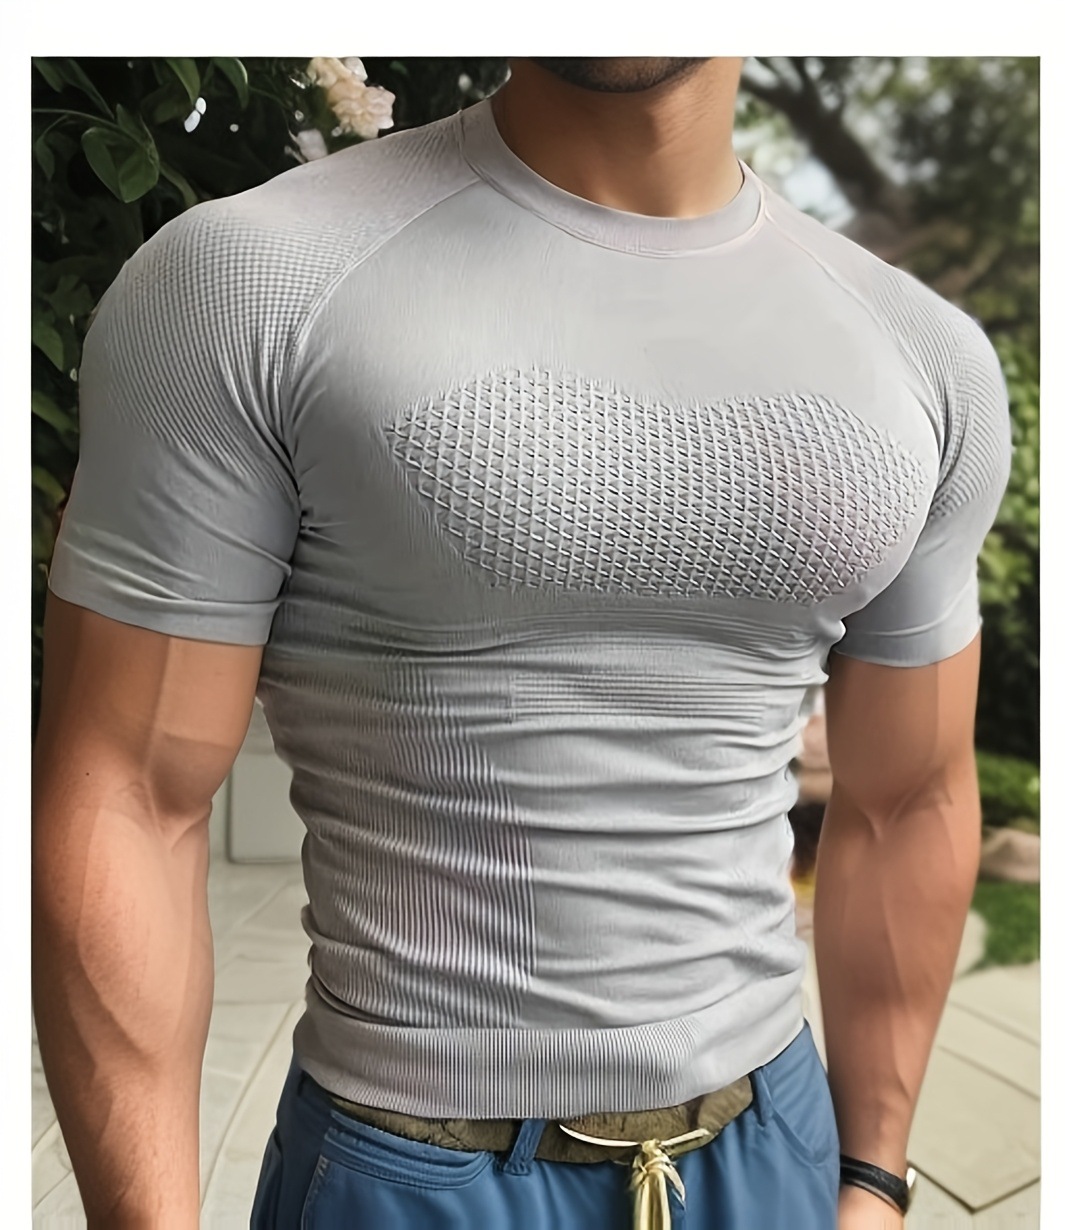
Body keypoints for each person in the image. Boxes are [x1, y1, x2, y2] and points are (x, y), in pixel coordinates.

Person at [32, 56, 1012, 1230]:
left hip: (774, 1150)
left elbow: (911, 798)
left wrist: (875, 1178)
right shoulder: (242, 280)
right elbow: (128, 794)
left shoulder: (926, 358)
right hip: (412, 1164)